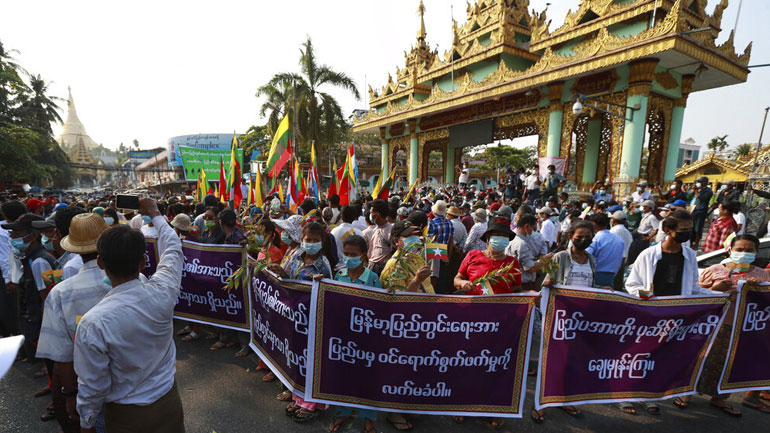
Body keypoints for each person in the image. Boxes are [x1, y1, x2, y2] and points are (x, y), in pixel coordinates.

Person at [74, 197, 185, 433]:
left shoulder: (93, 323)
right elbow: (173, 247)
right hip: (169, 405)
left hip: (126, 417)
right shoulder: (163, 292)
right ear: (144, 262)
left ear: (101, 263)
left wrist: (87, 423)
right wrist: (155, 213)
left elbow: (93, 385)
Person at [681, 235, 770, 416]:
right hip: (711, 325)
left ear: (755, 252)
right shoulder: (714, 270)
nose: (744, 253)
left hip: (742, 328)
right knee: (700, 359)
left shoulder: (761, 274)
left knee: (728, 364)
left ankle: (719, 398)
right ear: (730, 250)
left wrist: (758, 288)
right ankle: (685, 395)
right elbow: (695, 295)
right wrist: (716, 289)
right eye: (740, 249)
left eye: (749, 250)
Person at [36, 213, 109, 433]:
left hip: (89, 386)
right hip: (134, 386)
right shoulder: (133, 280)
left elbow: (63, 356)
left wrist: (70, 395)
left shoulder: (60, 293)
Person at [2, 213, 56, 363]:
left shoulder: (39, 261)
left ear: (32, 237)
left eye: (16, 234)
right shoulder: (31, 258)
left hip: (39, 321)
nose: (12, 238)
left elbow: (46, 297)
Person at [454, 215, 521, 296]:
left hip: (502, 307)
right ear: (488, 237)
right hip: (474, 306)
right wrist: (462, 283)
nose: (501, 238)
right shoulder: (473, 255)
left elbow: (517, 289)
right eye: (497, 234)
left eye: (505, 236)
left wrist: (530, 295)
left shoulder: (512, 263)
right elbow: (457, 279)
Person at [380, 221, 434, 294]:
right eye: (409, 236)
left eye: (415, 235)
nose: (415, 238)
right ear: (396, 240)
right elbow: (398, 299)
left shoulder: (417, 258)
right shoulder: (394, 266)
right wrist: (416, 281)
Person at [505, 213, 544, 292]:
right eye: (534, 229)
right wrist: (542, 261)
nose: (534, 233)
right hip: (524, 286)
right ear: (526, 226)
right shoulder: (521, 244)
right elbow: (530, 268)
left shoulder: (511, 239)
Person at [585, 213, 625, 287]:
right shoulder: (618, 239)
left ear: (593, 224)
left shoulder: (596, 239)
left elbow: (585, 254)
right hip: (612, 274)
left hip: (596, 273)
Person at [427, 200, 454, 293]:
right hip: (444, 253)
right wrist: (449, 257)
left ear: (434, 212)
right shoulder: (450, 223)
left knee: (433, 277)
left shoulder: (432, 223)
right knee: (441, 277)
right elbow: (451, 242)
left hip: (433, 254)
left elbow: (429, 240)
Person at [330, 205, 364, 272]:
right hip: (355, 269)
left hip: (338, 268)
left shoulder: (334, 231)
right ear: (354, 217)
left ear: (341, 216)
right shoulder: (359, 233)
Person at [364, 199, 393, 275]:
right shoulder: (376, 228)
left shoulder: (390, 231)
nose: (370, 215)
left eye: (371, 212)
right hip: (372, 267)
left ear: (376, 215)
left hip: (381, 270)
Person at [609, 211, 633, 291]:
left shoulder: (613, 231)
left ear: (613, 220)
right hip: (623, 258)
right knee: (618, 280)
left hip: (614, 258)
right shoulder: (627, 232)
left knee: (613, 280)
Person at [691, 176, 714, 247]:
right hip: (693, 209)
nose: (698, 183)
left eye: (700, 182)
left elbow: (702, 199)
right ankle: (691, 243)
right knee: (692, 227)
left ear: (704, 183)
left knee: (698, 228)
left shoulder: (708, 191)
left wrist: (696, 191)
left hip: (701, 210)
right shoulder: (698, 189)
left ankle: (696, 243)